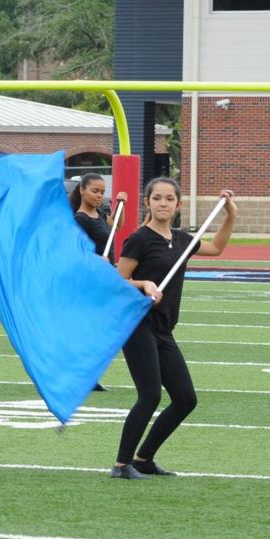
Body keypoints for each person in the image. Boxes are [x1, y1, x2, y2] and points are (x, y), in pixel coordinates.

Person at [111, 177, 236, 479]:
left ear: (178, 205)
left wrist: (230, 214)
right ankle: (121, 464)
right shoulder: (139, 239)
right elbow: (116, 281)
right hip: (137, 326)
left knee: (185, 399)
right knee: (150, 395)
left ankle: (143, 459)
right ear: (148, 203)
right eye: (157, 198)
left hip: (164, 330)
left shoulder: (182, 241)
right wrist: (142, 284)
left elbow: (217, 247)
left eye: (169, 199)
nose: (163, 203)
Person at [70, 174, 128, 392]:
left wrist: (119, 205)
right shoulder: (80, 220)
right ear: (82, 190)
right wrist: (95, 260)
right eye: (95, 191)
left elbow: (116, 226)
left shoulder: (100, 213)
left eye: (102, 192)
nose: (99, 195)